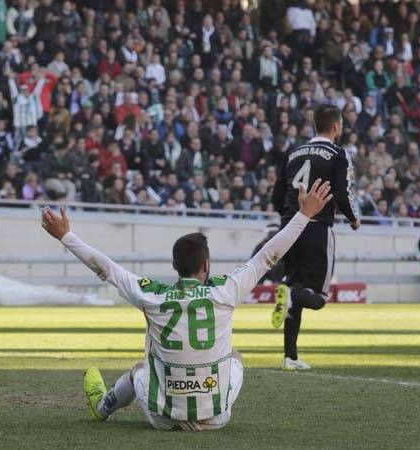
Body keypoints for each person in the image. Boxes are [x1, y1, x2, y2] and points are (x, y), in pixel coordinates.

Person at [40, 179, 333, 431]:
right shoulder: (227, 290)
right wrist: (304, 214)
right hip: (218, 418)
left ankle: (103, 406)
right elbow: (269, 255)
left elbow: (107, 269)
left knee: (138, 370)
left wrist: (66, 236)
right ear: (206, 264)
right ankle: (204, 400)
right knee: (236, 357)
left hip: (163, 418)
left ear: (174, 265)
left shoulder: (151, 296)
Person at [270, 104, 360, 370]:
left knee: (293, 284)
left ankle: (290, 356)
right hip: (317, 226)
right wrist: (353, 218)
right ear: (336, 126)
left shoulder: (293, 153)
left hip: (289, 226)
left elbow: (277, 196)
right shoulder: (337, 153)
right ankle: (291, 297)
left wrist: (289, 218)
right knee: (318, 297)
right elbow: (342, 193)